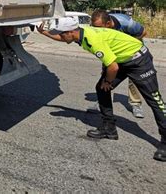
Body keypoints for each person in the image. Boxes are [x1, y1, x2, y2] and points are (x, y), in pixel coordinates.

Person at [37, 17, 165, 161]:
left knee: (154, 100)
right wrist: (45, 33)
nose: (60, 36)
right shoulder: (80, 33)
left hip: (138, 60)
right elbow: (64, 38)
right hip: (121, 59)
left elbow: (113, 67)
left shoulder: (92, 39)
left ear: (71, 31)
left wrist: (108, 81)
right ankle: (109, 129)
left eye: (62, 33)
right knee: (101, 89)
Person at [89, 10, 146, 118]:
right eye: (94, 27)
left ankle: (136, 104)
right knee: (106, 74)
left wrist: (127, 45)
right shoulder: (98, 25)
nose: (97, 30)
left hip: (132, 53)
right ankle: (102, 102)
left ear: (108, 24)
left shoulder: (126, 22)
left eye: (100, 27)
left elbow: (143, 32)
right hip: (113, 52)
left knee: (134, 79)